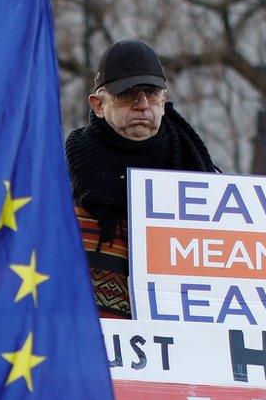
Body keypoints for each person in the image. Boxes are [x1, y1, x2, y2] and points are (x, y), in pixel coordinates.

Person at [66, 39, 219, 318]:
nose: (142, 105)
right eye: (126, 94)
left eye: (151, 92)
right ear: (98, 105)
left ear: (164, 99)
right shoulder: (63, 181)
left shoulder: (197, 171)